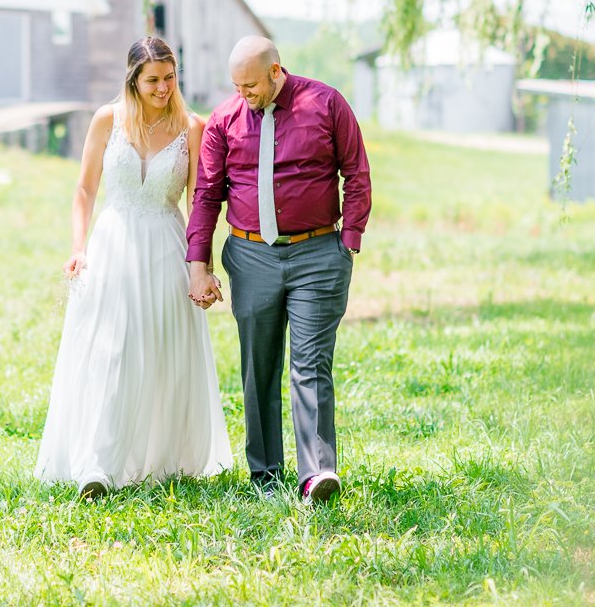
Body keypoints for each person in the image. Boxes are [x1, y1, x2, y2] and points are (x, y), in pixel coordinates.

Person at [35, 37, 232, 498]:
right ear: (133, 80)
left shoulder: (191, 127)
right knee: (110, 351)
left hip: (166, 245)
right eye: (153, 80)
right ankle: (97, 466)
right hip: (112, 245)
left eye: (170, 77)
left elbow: (197, 202)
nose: (164, 88)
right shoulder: (108, 120)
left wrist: (198, 265)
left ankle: (157, 455)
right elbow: (84, 189)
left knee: (159, 352)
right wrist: (78, 247)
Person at [186, 36, 371, 504]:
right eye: (236, 85)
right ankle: (265, 474)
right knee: (258, 367)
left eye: (250, 84)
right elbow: (207, 194)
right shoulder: (225, 121)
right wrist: (198, 263)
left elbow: (357, 172)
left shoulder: (326, 103)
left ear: (275, 71)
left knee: (311, 364)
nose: (243, 93)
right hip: (250, 257)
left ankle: (317, 474)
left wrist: (346, 242)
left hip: (316, 255)